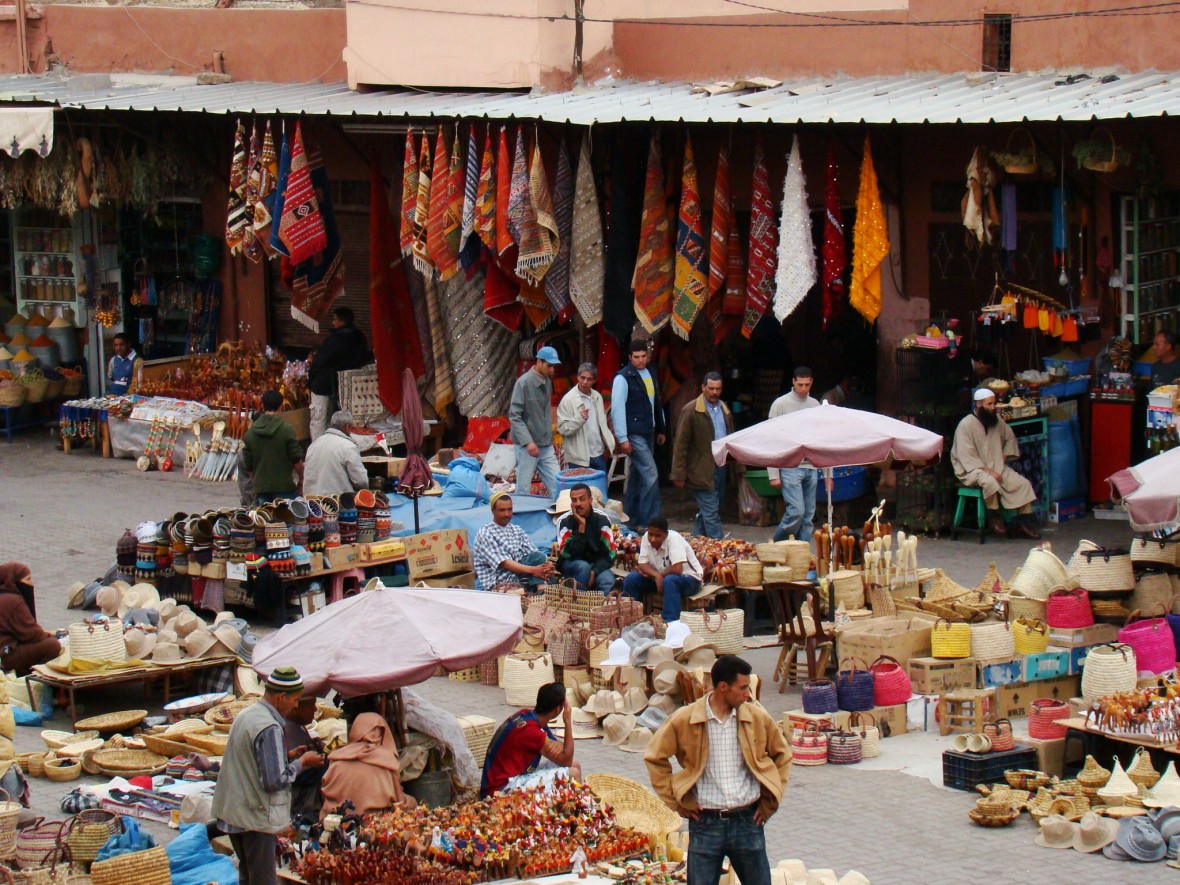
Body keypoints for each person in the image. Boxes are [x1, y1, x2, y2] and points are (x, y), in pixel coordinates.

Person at [644, 655, 791, 885]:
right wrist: (676, 801)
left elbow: (783, 754)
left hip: (747, 821)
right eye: (743, 688)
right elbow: (655, 757)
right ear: (723, 687)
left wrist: (770, 801)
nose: (748, 694)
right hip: (705, 823)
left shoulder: (756, 716)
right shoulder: (685, 718)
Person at [212, 666, 325, 885]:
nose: (295, 704)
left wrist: (286, 756)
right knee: (262, 880)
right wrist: (302, 763)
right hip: (255, 817)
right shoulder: (269, 727)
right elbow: (275, 781)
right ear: (282, 697)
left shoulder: (248, 715)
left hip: (234, 812)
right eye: (295, 699)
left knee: (247, 875)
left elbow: (250, 759)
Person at [951, 388, 1041, 539]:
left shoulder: (997, 420)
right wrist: (990, 471)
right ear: (979, 404)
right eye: (990, 404)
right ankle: (994, 516)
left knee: (1022, 483)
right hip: (972, 470)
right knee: (989, 481)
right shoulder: (965, 425)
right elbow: (967, 457)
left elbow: (1010, 439)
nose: (994, 407)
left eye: (994, 404)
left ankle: (1022, 523)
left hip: (996, 465)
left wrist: (1001, 461)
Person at [481, 682, 580, 797]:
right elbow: (565, 759)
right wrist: (567, 720)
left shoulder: (526, 715)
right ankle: (580, 809)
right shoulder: (532, 732)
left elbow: (564, 754)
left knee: (575, 764)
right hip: (500, 788)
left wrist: (563, 753)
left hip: (509, 777)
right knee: (573, 773)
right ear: (558, 710)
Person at [611, 339, 666, 531]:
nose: (640, 360)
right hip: (633, 433)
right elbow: (617, 409)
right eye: (636, 357)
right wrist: (623, 438)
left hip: (648, 430)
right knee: (651, 474)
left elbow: (655, 403)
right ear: (629, 358)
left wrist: (661, 428)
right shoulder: (623, 378)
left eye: (643, 356)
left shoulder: (650, 373)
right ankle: (650, 521)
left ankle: (631, 518)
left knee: (636, 475)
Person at [767, 367, 827, 544]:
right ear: (793, 382)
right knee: (796, 512)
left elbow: (821, 438)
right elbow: (771, 438)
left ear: (811, 382)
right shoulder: (780, 404)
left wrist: (825, 471)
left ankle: (801, 554)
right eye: (800, 384)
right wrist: (773, 473)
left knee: (808, 516)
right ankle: (777, 544)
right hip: (790, 465)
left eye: (807, 385)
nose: (803, 389)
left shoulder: (815, 405)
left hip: (810, 465)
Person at [671, 372, 733, 539]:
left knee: (711, 509)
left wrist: (738, 467)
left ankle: (696, 542)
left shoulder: (724, 409)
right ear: (703, 387)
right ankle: (720, 547)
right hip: (700, 469)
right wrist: (678, 473)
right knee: (711, 511)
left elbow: (731, 439)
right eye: (711, 388)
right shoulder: (691, 410)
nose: (714, 392)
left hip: (720, 467)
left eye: (718, 389)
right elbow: (681, 444)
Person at [319, 712, 416, 818]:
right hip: (371, 822)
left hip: (335, 820)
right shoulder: (387, 762)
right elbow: (400, 802)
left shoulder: (336, 758)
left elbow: (324, 794)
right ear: (383, 733)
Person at [621, 517, 704, 623]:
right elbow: (642, 563)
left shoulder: (674, 539)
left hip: (690, 579)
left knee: (669, 581)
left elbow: (678, 569)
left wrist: (659, 575)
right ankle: (628, 619)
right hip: (660, 578)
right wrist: (656, 575)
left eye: (657, 536)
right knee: (631, 579)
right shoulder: (647, 537)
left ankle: (670, 623)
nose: (653, 539)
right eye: (651, 534)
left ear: (665, 534)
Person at [307, 307, 370, 441]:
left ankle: (318, 450)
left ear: (342, 321)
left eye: (334, 319)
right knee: (334, 419)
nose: (332, 322)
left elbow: (319, 362)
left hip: (323, 385)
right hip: (344, 388)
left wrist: (310, 380)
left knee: (319, 418)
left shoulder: (334, 340)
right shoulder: (359, 338)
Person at [472, 491, 555, 592]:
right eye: (502, 510)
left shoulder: (516, 530)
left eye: (509, 509)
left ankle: (543, 591)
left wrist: (546, 565)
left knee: (541, 559)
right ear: (493, 510)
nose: (507, 514)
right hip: (500, 580)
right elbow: (505, 563)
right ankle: (541, 591)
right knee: (539, 569)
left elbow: (533, 553)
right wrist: (534, 570)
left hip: (520, 574)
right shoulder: (485, 533)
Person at [509, 346, 562, 498]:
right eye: (549, 365)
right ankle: (522, 520)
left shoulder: (547, 382)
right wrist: (528, 442)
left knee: (558, 487)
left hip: (545, 446)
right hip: (527, 447)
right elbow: (515, 416)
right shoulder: (523, 383)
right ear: (539, 362)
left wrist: (550, 439)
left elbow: (545, 414)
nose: (552, 370)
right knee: (524, 490)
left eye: (553, 366)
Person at [242, 390, 304, 504]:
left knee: (265, 519)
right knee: (286, 519)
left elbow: (248, 464)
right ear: (281, 406)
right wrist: (301, 479)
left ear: (262, 405)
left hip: (261, 488)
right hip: (284, 487)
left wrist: (255, 482)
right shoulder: (286, 429)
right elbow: (296, 459)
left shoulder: (251, 432)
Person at [554, 483, 616, 594]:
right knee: (583, 567)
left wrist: (594, 571)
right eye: (574, 500)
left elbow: (610, 554)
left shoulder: (602, 520)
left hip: (595, 564)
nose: (578, 504)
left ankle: (600, 610)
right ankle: (577, 606)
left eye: (582, 499)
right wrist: (581, 529)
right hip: (572, 565)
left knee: (607, 580)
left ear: (590, 500)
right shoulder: (564, 522)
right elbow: (567, 554)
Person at [0, 563, 61, 674]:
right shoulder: (13, 601)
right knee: (52, 645)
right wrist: (53, 636)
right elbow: (31, 634)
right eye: (27, 579)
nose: (30, 583)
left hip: (5, 650)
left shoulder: (4, 597)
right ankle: (31, 676)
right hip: (6, 656)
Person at [556, 363, 614, 472]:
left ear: (594, 381)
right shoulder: (568, 400)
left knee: (599, 489)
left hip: (598, 454)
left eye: (589, 379)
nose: (585, 382)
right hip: (578, 458)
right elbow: (562, 429)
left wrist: (608, 443)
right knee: (580, 488)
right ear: (577, 377)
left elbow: (601, 424)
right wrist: (579, 419)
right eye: (582, 378)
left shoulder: (597, 396)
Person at [303, 410, 368, 496]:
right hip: (336, 501)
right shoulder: (348, 446)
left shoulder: (314, 444)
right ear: (347, 426)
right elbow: (361, 480)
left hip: (312, 500)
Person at [281, 695, 326, 820]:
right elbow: (282, 776)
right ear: (296, 708)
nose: (315, 709)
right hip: (298, 804)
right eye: (311, 705)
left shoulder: (298, 725)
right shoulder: (285, 730)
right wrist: (306, 762)